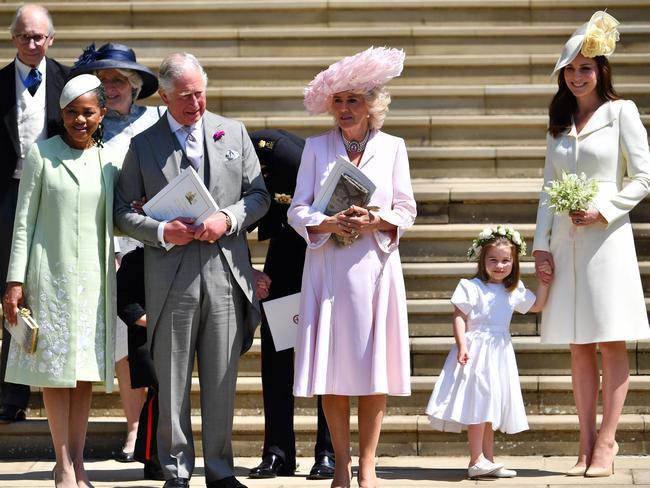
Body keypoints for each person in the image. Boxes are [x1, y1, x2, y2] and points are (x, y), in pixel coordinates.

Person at [114, 52, 270, 488]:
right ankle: (176, 471)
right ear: (163, 96)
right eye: (185, 96)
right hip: (169, 275)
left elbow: (258, 195)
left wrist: (230, 218)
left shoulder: (233, 131)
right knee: (173, 377)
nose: (196, 103)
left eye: (200, 93)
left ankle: (220, 471)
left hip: (224, 271)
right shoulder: (143, 145)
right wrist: (163, 230)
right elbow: (122, 211)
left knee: (222, 378)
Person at [287, 47, 417, 488]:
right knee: (333, 368)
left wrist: (376, 220)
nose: (344, 109)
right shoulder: (315, 147)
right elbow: (296, 209)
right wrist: (328, 221)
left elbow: (407, 209)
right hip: (329, 269)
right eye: (338, 101)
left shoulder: (394, 147)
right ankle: (340, 464)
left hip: (375, 269)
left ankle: (368, 466)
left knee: (372, 367)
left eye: (354, 101)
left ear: (372, 105)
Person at [533, 11, 650, 478]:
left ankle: (607, 442)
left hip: (607, 242)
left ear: (601, 70)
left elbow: (643, 177)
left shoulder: (622, 112)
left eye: (587, 66)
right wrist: (541, 246)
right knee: (578, 344)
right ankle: (584, 443)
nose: (578, 75)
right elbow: (546, 189)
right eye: (571, 68)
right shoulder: (557, 124)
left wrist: (606, 208)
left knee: (609, 339)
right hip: (566, 241)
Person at [2, 74, 119, 488]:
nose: (79, 119)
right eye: (71, 112)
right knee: (54, 375)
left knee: (84, 375)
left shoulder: (110, 160)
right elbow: (23, 223)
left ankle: (79, 462)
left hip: (95, 281)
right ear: (61, 114)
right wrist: (15, 281)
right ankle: (63, 465)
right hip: (49, 278)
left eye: (88, 112)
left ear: (102, 114)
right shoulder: (41, 154)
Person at [71, 40, 164, 465]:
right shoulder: (87, 126)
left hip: (157, 241)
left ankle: (157, 430)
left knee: (156, 341)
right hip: (107, 244)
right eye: (103, 80)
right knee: (126, 344)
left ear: (134, 85)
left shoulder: (160, 119)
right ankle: (133, 429)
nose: (111, 88)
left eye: (119, 80)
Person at [425, 226, 551, 479]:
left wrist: (545, 283)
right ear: (482, 260)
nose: (500, 265)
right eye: (493, 259)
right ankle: (476, 459)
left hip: (499, 351)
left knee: (490, 406)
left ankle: (488, 460)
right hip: (476, 350)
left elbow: (536, 305)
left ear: (514, 263)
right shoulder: (471, 287)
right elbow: (459, 316)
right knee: (479, 404)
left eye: (506, 260)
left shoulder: (512, 290)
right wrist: (461, 344)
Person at [247, 129, 335, 480]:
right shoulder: (253, 156)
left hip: (325, 261)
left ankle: (328, 450)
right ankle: (277, 451)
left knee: (326, 361)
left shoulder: (297, 159)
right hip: (283, 261)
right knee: (277, 360)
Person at [0, 3, 69, 424]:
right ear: (13, 38)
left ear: (50, 40)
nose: (31, 43)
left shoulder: (68, 82)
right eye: (24, 35)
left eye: (38, 36)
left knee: (51, 286)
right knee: (12, 290)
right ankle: (11, 394)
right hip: (6, 194)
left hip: (55, 195)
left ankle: (56, 384)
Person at [116, 245, 164, 480]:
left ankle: (157, 456)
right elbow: (122, 298)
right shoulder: (136, 258)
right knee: (158, 392)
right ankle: (152, 457)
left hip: (178, 334)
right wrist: (148, 319)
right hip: (146, 336)